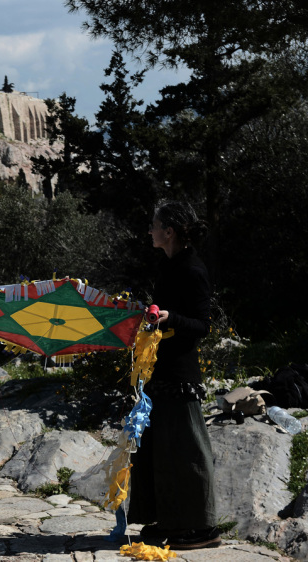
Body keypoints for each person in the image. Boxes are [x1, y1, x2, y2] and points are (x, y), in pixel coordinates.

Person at [128, 200, 220, 550]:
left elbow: (202, 326)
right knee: (159, 452)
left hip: (181, 374)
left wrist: (171, 319)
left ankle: (204, 528)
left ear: (169, 231)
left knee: (188, 453)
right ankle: (169, 520)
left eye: (154, 225)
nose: (149, 230)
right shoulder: (168, 266)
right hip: (159, 370)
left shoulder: (193, 269)